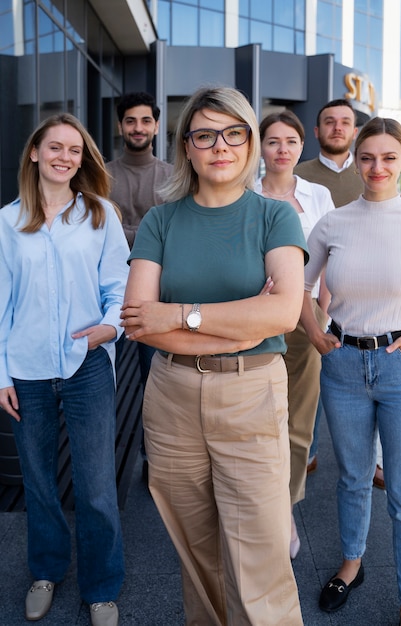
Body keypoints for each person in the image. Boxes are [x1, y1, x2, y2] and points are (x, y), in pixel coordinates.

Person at [120, 86, 308, 625]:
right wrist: (240, 320)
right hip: (172, 398)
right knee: (195, 552)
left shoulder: (276, 217)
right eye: (204, 134)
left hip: (251, 393)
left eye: (233, 133)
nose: (219, 146)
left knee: (260, 557)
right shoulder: (161, 220)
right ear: (187, 147)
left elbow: (281, 316)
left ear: (249, 142)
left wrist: (180, 315)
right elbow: (139, 321)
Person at [0, 113, 129, 626]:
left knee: (96, 485)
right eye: (55, 147)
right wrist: (1, 375)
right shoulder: (7, 223)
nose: (65, 157)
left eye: (74, 150)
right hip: (26, 369)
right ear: (34, 153)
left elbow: (119, 289)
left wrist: (108, 328)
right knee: (37, 481)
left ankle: (101, 588)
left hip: (86, 365)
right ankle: (46, 571)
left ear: (83, 159)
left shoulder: (99, 214)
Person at [300, 117, 401, 625]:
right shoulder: (334, 222)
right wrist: (313, 334)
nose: (377, 167)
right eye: (368, 156)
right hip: (343, 364)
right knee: (350, 477)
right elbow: (297, 287)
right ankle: (352, 564)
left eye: (389, 157)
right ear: (356, 158)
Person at [254, 110, 335, 559]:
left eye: (290, 140)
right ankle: (257, 508)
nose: (282, 148)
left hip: (307, 322)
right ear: (260, 147)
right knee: (258, 419)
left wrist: (323, 313)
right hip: (257, 321)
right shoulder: (245, 193)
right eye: (272, 141)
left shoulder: (318, 194)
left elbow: (329, 258)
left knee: (299, 422)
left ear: (302, 147)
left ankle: (284, 509)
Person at [295, 98, 364, 474]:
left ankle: (370, 458)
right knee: (312, 368)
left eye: (345, 122)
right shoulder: (300, 174)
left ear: (354, 131)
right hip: (313, 287)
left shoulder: (370, 172)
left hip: (362, 291)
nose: (337, 127)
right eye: (329, 122)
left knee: (365, 371)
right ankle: (307, 450)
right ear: (318, 131)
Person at [107, 92, 173, 475]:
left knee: (156, 382)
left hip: (158, 297)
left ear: (156, 126)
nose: (138, 128)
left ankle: (154, 459)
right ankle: (107, 459)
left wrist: (124, 230)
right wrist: (150, 230)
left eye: (145, 120)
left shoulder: (170, 175)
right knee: (105, 383)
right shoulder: (101, 172)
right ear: (121, 126)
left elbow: (173, 234)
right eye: (130, 121)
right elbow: (98, 229)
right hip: (109, 295)